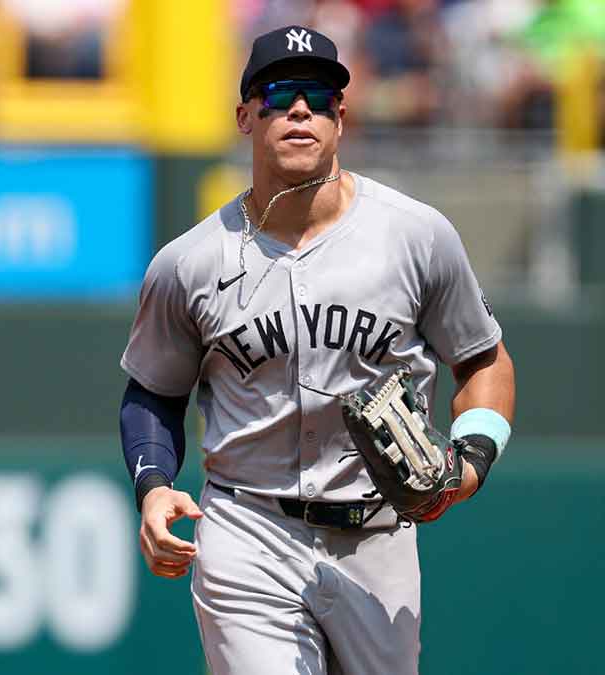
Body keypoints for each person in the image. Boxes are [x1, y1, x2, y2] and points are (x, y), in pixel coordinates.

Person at [118, 26, 515, 674]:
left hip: (380, 536)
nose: (299, 109)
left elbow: (484, 358)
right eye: (277, 93)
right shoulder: (188, 263)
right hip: (250, 528)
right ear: (245, 115)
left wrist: (470, 460)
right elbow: (153, 392)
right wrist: (155, 486)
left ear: (341, 116)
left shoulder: (415, 236)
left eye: (318, 94)